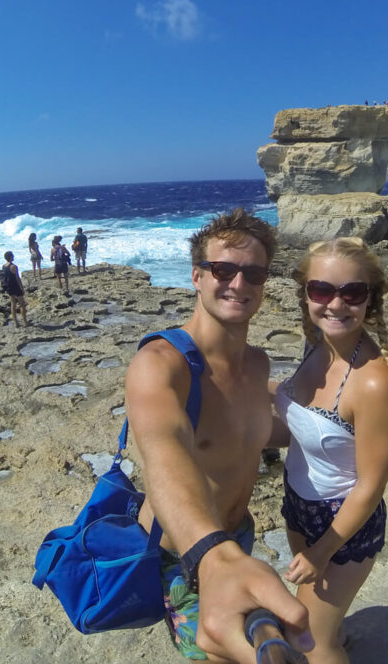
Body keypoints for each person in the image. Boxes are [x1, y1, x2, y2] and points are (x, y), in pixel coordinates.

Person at [125, 208, 309, 662]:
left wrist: (343, 431)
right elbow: (161, 451)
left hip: (239, 533)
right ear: (196, 277)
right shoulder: (161, 364)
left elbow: (254, 433)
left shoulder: (258, 365)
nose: (238, 284)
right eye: (223, 270)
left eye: (254, 274)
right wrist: (212, 554)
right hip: (187, 554)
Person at [271, 238, 388, 664]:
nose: (336, 304)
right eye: (321, 290)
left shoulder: (372, 384)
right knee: (315, 618)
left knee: (310, 638)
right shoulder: (316, 344)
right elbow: (300, 427)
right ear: (306, 295)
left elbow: (370, 487)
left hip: (343, 525)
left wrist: (321, 552)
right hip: (298, 507)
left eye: (352, 293)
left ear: (370, 300)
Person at [1, 251, 27, 327]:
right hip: (15, 286)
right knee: (22, 304)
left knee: (13, 304)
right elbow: (17, 278)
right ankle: (25, 322)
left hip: (9, 287)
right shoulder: (13, 266)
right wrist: (22, 288)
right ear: (10, 257)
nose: (14, 257)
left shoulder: (4, 266)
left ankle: (16, 323)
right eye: (13, 256)